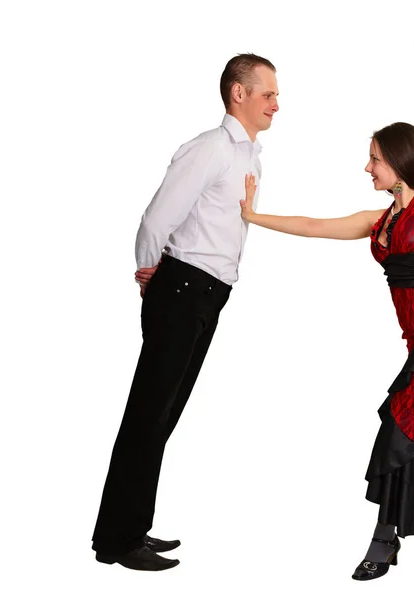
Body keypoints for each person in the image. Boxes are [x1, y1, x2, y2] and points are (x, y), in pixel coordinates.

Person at [240, 35, 414, 580]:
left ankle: (384, 543)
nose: (368, 168)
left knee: (400, 429)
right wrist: (254, 216)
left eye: (375, 159)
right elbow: (317, 228)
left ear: (399, 161)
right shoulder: (380, 220)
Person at [91, 53, 280, 571]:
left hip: (207, 293)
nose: (276, 105)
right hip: (181, 289)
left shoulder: (250, 157)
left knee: (163, 417)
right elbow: (157, 218)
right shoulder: (211, 149)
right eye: (268, 94)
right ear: (238, 93)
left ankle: (131, 528)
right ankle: (115, 542)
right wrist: (151, 273)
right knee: (148, 415)